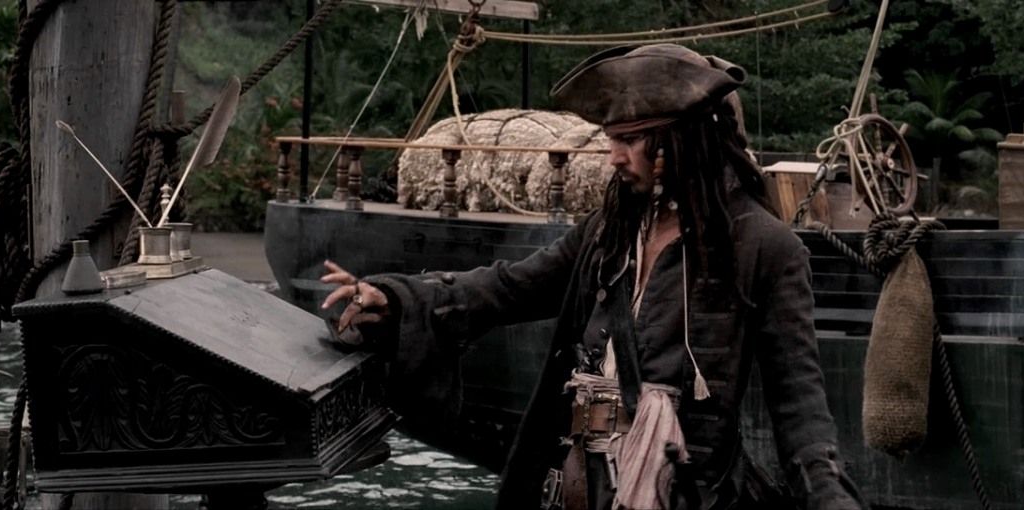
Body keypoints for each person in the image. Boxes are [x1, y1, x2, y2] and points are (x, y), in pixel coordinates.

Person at [320, 44, 864, 510]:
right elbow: (510, 287)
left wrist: (830, 497)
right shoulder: (611, 230)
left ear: (677, 140)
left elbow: (799, 407)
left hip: (685, 494)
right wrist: (396, 298)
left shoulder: (765, 247)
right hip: (583, 485)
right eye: (612, 138)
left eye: (630, 139)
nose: (614, 158)